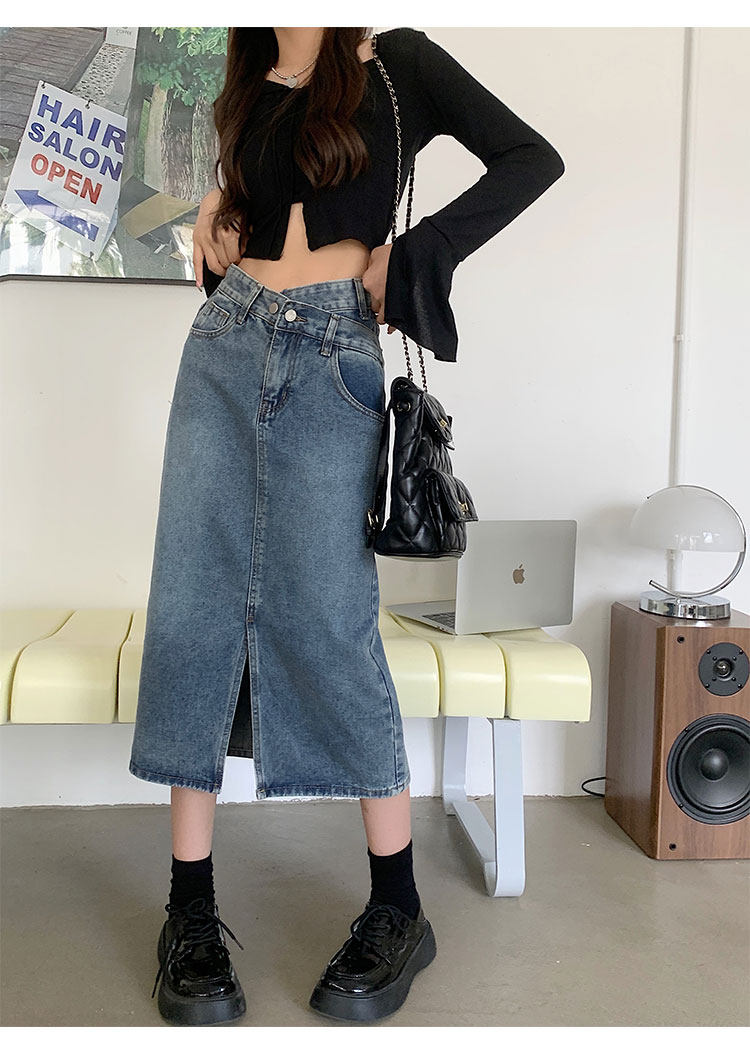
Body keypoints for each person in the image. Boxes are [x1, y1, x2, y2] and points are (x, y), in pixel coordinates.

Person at [130, 26, 564, 1026]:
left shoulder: (395, 62)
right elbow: (257, 207)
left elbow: (529, 157)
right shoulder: (246, 75)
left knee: (330, 622)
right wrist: (215, 207)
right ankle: (188, 913)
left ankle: (399, 907)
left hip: (334, 355)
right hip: (223, 347)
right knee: (193, 611)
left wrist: (418, 252)